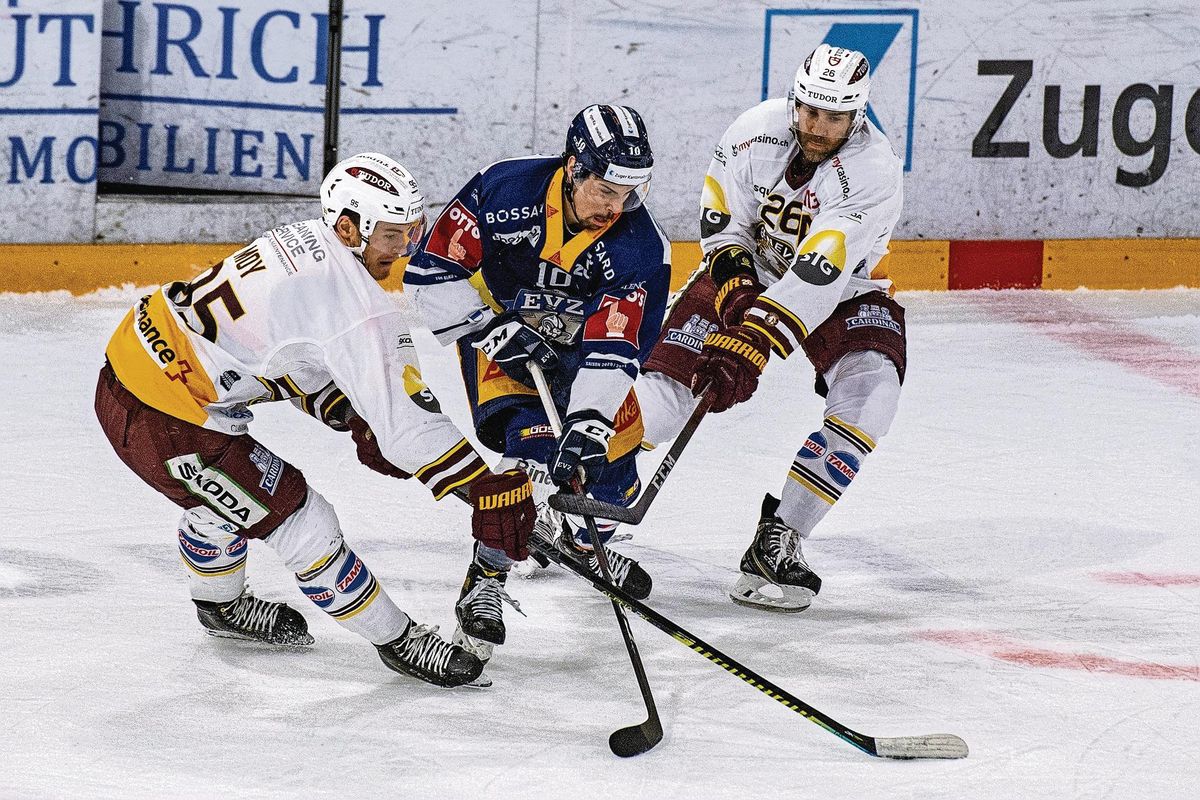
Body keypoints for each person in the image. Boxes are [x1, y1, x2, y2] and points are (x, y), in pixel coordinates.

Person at [94, 152, 536, 688]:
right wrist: (485, 486)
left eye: (411, 232)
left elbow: (283, 356)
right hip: (168, 420)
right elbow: (407, 429)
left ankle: (219, 608)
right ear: (349, 226)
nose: (403, 251)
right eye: (392, 236)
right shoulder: (356, 304)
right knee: (303, 519)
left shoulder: (304, 239)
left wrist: (350, 412)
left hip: (133, 372)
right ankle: (398, 641)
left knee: (222, 496)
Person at [635, 44, 906, 612]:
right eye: (809, 110)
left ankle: (780, 539)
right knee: (667, 392)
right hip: (755, 266)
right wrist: (735, 289)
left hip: (844, 288)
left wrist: (752, 340)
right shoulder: (752, 132)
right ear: (794, 99)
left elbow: (817, 272)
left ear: (858, 115)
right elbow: (721, 220)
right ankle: (572, 497)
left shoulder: (872, 171)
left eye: (834, 116)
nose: (817, 126)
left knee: (870, 397)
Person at [405, 104, 672, 662]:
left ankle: (578, 533)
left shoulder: (641, 248)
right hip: (499, 337)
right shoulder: (503, 189)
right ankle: (486, 578)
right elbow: (429, 276)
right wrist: (492, 329)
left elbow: (616, 344)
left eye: (629, 192)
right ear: (574, 166)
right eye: (605, 188)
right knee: (530, 453)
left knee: (602, 461)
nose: (614, 207)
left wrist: (590, 424)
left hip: (585, 355)